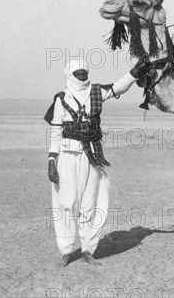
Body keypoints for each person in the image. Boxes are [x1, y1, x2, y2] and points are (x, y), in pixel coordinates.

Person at [44, 58, 146, 267]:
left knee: (91, 203)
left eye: (84, 73)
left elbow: (119, 87)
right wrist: (52, 160)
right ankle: (65, 250)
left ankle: (88, 250)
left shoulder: (96, 92)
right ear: (70, 76)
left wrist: (134, 72)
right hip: (67, 156)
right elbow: (55, 130)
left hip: (91, 155)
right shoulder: (61, 99)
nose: (82, 77)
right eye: (77, 74)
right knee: (66, 203)